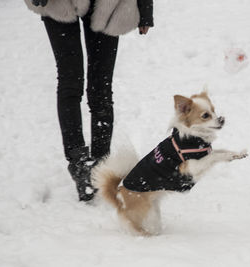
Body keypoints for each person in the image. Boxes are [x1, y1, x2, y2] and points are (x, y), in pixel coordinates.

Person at [24, 0, 153, 201]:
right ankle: (79, 163)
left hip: (109, 5)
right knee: (70, 81)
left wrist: (144, 9)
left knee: (101, 86)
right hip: (59, 3)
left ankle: (101, 165)